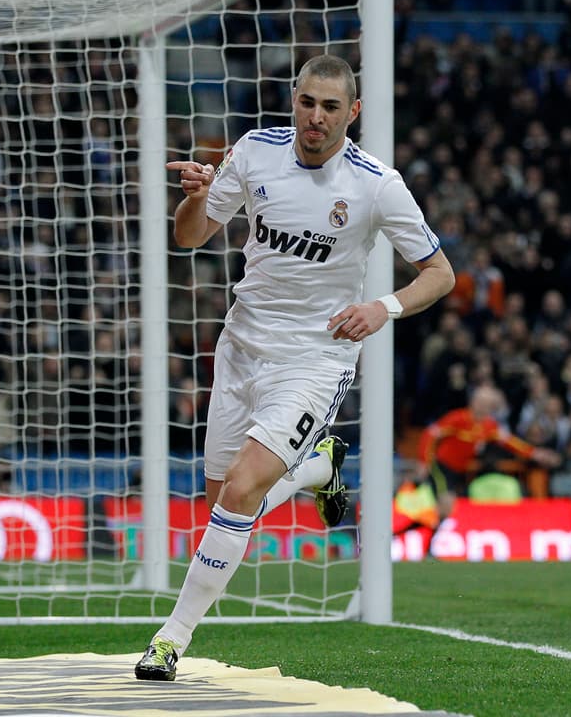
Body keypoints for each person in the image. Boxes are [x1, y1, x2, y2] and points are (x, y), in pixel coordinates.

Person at [135, 54, 455, 681]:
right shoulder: (254, 152)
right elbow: (190, 236)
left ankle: (171, 638)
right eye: (308, 102)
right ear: (294, 98)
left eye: (331, 107)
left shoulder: (376, 184)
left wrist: (382, 307)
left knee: (243, 488)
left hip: (315, 357)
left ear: (352, 113)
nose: (316, 116)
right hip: (241, 347)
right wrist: (197, 199)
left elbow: (441, 275)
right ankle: (317, 467)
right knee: (222, 506)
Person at [416, 383, 560, 519]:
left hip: (463, 471)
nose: (485, 408)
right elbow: (430, 434)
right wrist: (424, 461)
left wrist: (535, 453)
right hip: (442, 467)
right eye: (482, 403)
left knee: (456, 506)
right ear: (473, 402)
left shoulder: (489, 426)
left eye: (489, 405)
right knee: (445, 502)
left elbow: (511, 442)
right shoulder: (458, 418)